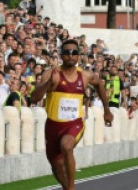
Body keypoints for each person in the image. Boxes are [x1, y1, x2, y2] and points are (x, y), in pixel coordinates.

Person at [30, 39, 114, 190]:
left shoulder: (85, 76)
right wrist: (48, 84)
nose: (71, 55)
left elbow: (100, 85)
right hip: (53, 126)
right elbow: (34, 98)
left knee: (66, 146)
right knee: (56, 166)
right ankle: (66, 187)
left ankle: (71, 188)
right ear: (62, 55)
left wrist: (107, 110)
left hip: (74, 124)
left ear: (78, 56)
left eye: (74, 52)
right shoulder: (51, 73)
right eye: (67, 52)